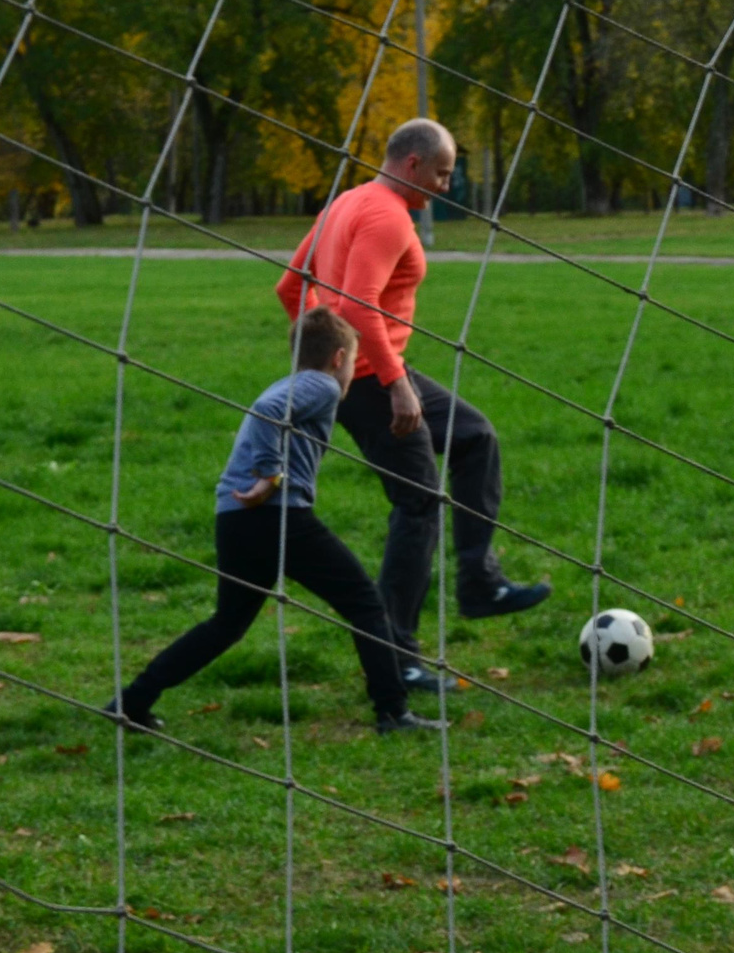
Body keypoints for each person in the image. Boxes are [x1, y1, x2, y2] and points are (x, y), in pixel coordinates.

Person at [276, 119, 549, 690]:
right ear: (413, 164)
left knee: (475, 438)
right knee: (418, 505)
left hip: (371, 370)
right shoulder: (387, 215)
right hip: (373, 382)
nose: (446, 187)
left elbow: (291, 287)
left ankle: (479, 583)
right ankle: (396, 657)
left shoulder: (345, 202)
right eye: (442, 174)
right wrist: (385, 380)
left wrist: (325, 361)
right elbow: (358, 304)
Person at [109, 308, 444, 736]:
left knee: (227, 624)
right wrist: (271, 476)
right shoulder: (322, 385)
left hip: (237, 518)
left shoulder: (291, 382)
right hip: (277, 515)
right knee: (366, 605)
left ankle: (132, 701)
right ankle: (394, 714)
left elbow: (270, 408)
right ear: (339, 358)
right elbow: (268, 412)